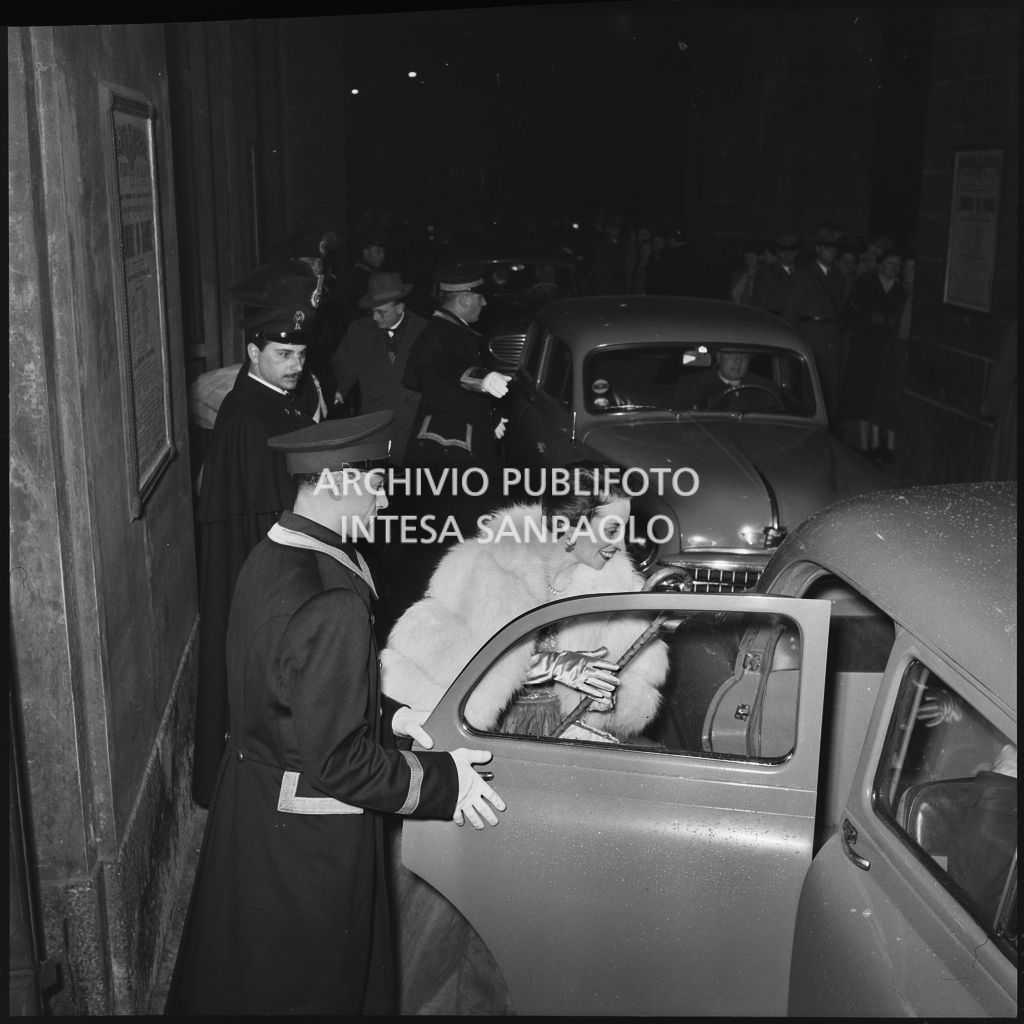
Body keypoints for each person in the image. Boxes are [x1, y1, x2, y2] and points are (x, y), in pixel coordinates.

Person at [166, 413, 506, 1015]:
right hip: (310, 842)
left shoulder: (274, 555)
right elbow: (339, 762)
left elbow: (291, 690)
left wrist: (390, 715)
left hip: (253, 805)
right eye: (375, 485)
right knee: (315, 986)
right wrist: (445, 782)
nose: (383, 499)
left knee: (249, 977)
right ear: (336, 482)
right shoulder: (331, 599)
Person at [381, 462, 668, 742]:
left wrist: (605, 701)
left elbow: (634, 694)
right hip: (488, 733)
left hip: (567, 736)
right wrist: (551, 665)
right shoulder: (483, 566)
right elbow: (444, 660)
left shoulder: (620, 589)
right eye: (612, 530)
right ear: (572, 530)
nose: (621, 546)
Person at [191, 271, 323, 806]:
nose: (295, 366)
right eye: (282, 354)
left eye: (299, 354)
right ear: (252, 351)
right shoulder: (248, 415)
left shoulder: (276, 400)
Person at [402, 263, 511, 482]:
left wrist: (491, 417)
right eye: (481, 297)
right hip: (452, 447)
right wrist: (483, 379)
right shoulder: (444, 333)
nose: (485, 302)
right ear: (464, 300)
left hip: (452, 436)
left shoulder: (448, 330)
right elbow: (448, 365)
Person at [330, 272, 425, 466]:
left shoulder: (425, 331)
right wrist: (338, 390)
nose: (374, 317)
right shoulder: (359, 331)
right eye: (371, 311)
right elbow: (342, 367)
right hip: (374, 426)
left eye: (381, 312)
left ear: (400, 308)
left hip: (413, 426)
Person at [840, 249, 905, 454]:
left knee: (880, 394)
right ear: (880, 265)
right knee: (863, 393)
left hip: (887, 351)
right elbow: (850, 313)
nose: (893, 268)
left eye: (897, 264)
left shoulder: (901, 291)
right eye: (890, 263)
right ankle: (862, 443)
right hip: (865, 348)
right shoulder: (865, 284)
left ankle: (877, 444)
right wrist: (869, 318)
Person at [792, 223, 847, 425]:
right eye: (827, 248)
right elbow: (792, 311)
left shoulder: (838, 278)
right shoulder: (804, 275)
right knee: (810, 386)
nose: (832, 252)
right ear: (818, 249)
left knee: (831, 386)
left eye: (834, 248)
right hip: (811, 336)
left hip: (831, 337)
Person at [673, 349, 783, 412]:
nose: (738, 361)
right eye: (732, 355)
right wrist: (702, 406)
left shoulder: (766, 388)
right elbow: (683, 421)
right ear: (719, 356)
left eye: (744, 357)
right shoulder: (692, 384)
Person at [751, 231, 801, 319]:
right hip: (775, 324)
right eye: (783, 249)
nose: (787, 253)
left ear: (797, 251)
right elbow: (759, 305)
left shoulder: (803, 273)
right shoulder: (766, 273)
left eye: (791, 249)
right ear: (777, 251)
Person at [345, 236, 387, 325]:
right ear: (366, 252)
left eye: (383, 252)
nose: (383, 256)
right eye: (378, 252)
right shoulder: (358, 277)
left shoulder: (372, 274)